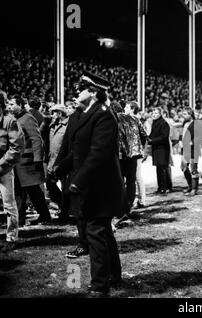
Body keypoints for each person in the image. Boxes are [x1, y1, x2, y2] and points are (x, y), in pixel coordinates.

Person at [54, 72, 124, 297]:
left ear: (93, 92)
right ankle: (114, 275)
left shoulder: (104, 115)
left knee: (94, 233)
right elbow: (78, 151)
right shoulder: (88, 114)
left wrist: (78, 181)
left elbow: (98, 154)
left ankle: (99, 286)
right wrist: (59, 169)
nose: (76, 90)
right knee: (102, 233)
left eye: (81, 87)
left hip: (100, 187)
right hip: (93, 185)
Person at [10, 96, 52, 226]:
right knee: (19, 192)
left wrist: (38, 160)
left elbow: (36, 139)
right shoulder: (14, 119)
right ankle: (20, 219)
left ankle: (44, 215)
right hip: (17, 163)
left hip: (28, 163)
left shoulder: (27, 118)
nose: (9, 106)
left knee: (33, 191)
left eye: (12, 104)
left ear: (20, 105)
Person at [0, 92, 24, 252]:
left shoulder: (10, 121)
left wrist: (1, 165)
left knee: (9, 205)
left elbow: (16, 148)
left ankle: (11, 237)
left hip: (4, 168)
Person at [46, 104, 70, 222]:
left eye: (54, 112)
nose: (52, 115)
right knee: (49, 184)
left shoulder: (68, 126)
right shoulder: (52, 125)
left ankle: (65, 213)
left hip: (63, 161)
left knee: (66, 188)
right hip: (52, 160)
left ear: (60, 113)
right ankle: (62, 205)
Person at [148, 107, 171, 195]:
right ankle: (160, 187)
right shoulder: (155, 123)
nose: (154, 115)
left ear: (160, 114)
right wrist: (148, 138)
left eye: (156, 113)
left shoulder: (164, 123)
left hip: (162, 149)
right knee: (158, 168)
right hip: (157, 148)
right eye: (153, 113)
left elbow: (164, 137)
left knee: (162, 168)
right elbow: (152, 135)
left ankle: (165, 187)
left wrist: (152, 141)